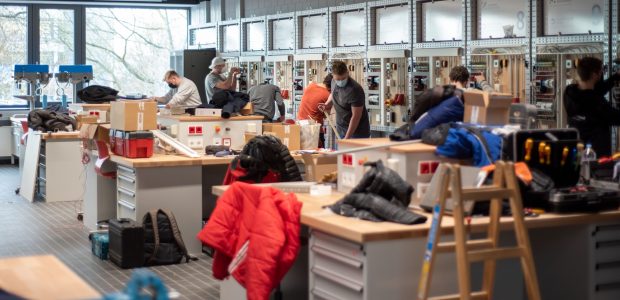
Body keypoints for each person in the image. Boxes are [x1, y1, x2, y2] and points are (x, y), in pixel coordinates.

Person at [564, 56, 620, 156]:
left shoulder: (569, 93)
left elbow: (594, 91)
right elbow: (617, 118)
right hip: (595, 158)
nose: (602, 74)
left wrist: (615, 78)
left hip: (577, 153)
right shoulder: (597, 103)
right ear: (595, 75)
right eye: (601, 71)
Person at [318, 61, 370, 139]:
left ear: (347, 73)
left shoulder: (355, 90)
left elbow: (356, 116)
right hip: (341, 129)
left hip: (357, 133)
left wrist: (347, 138)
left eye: (343, 78)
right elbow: (334, 93)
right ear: (333, 75)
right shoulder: (333, 81)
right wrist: (327, 104)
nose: (340, 81)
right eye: (338, 79)